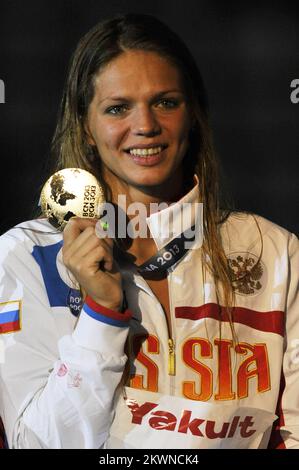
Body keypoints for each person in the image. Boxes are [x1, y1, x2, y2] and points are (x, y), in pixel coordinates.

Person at [0, 13, 298, 449]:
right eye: (118, 108)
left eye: (166, 102)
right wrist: (101, 314)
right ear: (85, 124)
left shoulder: (274, 252)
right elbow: (37, 444)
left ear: (193, 113)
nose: (145, 126)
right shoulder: (23, 256)